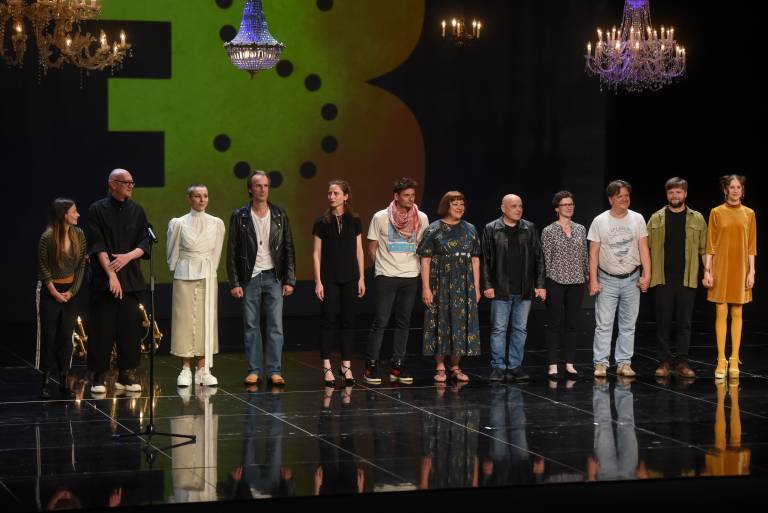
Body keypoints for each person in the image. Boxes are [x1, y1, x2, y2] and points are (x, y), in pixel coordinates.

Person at [227, 170, 296, 387]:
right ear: (250, 189)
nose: (263, 189)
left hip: (274, 276)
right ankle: (254, 370)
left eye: (266, 185)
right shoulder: (240, 215)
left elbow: (288, 248)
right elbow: (232, 250)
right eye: (258, 185)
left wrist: (289, 279)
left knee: (275, 326)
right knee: (251, 326)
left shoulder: (279, 215)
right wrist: (234, 282)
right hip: (250, 277)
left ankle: (274, 371)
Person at [87, 169, 150, 394]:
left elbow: (145, 241)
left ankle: (126, 373)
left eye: (132, 182)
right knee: (102, 329)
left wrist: (129, 256)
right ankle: (99, 375)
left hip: (131, 279)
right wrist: (111, 275)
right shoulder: (97, 209)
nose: (131, 185)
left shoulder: (137, 210)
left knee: (129, 330)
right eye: (126, 182)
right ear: (113, 184)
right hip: (105, 280)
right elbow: (97, 245)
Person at [364, 177, 429, 385]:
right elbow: (371, 247)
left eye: (413, 195)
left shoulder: (422, 218)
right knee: (381, 321)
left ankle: (398, 365)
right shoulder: (381, 217)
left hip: (410, 276)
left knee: (404, 322)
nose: (411, 199)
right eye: (406, 195)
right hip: (387, 276)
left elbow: (424, 248)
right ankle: (371, 365)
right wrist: (382, 268)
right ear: (396, 196)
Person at [588, 180, 651, 378]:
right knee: (604, 324)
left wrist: (647, 274)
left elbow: (643, 248)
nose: (624, 199)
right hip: (607, 279)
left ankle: (624, 362)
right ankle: (601, 363)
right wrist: (593, 280)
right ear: (611, 199)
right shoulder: (600, 221)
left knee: (628, 324)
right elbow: (593, 253)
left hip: (631, 278)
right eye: (620, 196)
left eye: (626, 195)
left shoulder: (637, 218)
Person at [417, 191, 481, 383]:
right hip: (440, 283)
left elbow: (475, 259)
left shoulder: (470, 229)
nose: (460, 207)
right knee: (440, 322)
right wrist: (426, 288)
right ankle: (440, 366)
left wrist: (477, 287)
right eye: (455, 204)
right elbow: (425, 259)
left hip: (464, 284)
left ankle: (455, 366)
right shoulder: (434, 229)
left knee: (461, 324)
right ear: (446, 206)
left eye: (462, 204)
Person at [647, 177, 707, 379]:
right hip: (662, 278)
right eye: (671, 192)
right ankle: (664, 362)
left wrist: (708, 272)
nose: (675, 195)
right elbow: (645, 248)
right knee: (663, 322)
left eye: (678, 192)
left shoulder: (697, 218)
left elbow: (704, 249)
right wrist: (646, 274)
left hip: (686, 278)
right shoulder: (656, 218)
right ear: (667, 194)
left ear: (685, 194)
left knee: (685, 323)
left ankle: (682, 363)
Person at [481, 194, 546, 383]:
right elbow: (485, 260)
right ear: (503, 208)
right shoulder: (492, 228)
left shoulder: (529, 228)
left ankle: (515, 366)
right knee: (499, 329)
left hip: (524, 289)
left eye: (520, 206)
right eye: (514, 206)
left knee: (520, 329)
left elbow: (539, 258)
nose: (518, 209)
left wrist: (540, 284)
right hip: (501, 289)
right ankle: (498, 367)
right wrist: (488, 285)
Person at [167, 184, 225, 388]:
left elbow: (216, 252)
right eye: (198, 196)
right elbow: (172, 250)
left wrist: (210, 270)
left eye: (205, 196)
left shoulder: (216, 223)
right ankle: (185, 368)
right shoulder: (179, 223)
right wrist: (176, 268)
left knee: (206, 320)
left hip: (207, 274)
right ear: (189, 199)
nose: (202, 200)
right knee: (184, 320)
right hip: (185, 273)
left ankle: (203, 368)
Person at [702, 175, 756, 379]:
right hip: (720, 267)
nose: (735, 190)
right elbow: (710, 244)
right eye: (731, 187)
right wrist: (707, 270)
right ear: (725, 190)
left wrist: (752, 271)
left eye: (738, 187)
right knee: (721, 311)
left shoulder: (749, 213)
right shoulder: (716, 212)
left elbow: (751, 246)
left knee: (737, 312)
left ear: (742, 190)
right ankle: (721, 359)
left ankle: (734, 358)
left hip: (741, 267)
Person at [313, 179, 365, 387]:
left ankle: (346, 365)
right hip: (329, 279)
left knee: (348, 321)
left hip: (350, 277)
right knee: (328, 320)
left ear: (346, 196)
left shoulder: (355, 220)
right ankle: (326, 365)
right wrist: (318, 281)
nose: (331, 196)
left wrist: (361, 277)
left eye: (335, 193)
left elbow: (359, 250)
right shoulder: (321, 222)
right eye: (329, 193)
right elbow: (316, 254)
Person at [36, 198, 87, 398]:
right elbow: (43, 267)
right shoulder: (48, 237)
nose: (78, 214)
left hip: (69, 292)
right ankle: (45, 381)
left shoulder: (79, 234)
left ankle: (64, 380)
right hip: (50, 291)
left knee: (66, 337)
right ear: (63, 215)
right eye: (74, 211)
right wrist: (54, 292)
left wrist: (72, 291)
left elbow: (81, 265)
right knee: (49, 336)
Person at [541, 191, 588, 380]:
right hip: (555, 280)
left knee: (572, 323)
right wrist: (542, 284)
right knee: (554, 323)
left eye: (571, 204)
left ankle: (569, 363)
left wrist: (588, 276)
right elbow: (545, 259)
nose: (569, 207)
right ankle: (553, 364)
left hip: (577, 281)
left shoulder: (581, 229)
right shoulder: (549, 231)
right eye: (565, 204)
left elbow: (584, 255)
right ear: (557, 209)